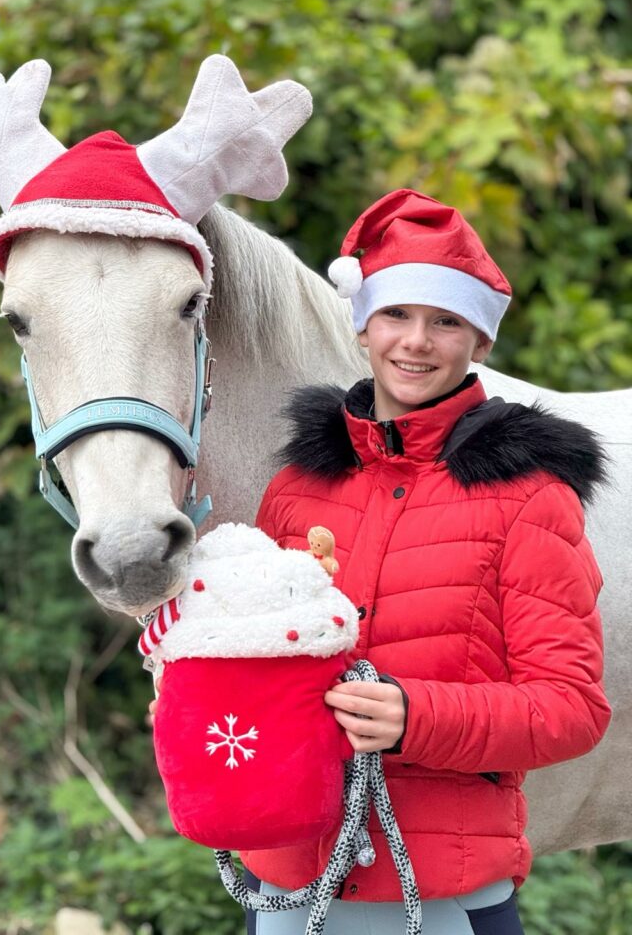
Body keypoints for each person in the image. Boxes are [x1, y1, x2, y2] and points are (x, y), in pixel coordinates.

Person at [242, 189, 611, 935]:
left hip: (443, 898)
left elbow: (573, 709)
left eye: (446, 321)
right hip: (290, 888)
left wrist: (416, 716)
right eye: (397, 315)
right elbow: (261, 669)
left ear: (481, 341)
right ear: (363, 326)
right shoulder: (294, 490)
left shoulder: (530, 498)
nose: (416, 341)